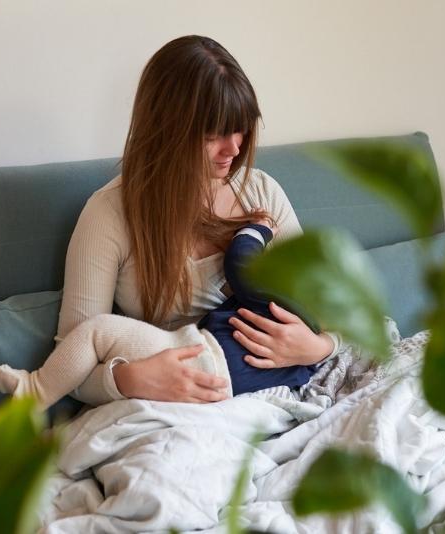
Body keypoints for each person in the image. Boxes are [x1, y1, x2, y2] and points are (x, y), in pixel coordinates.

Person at [50, 35, 341, 406]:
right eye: (214, 134)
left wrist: (317, 347)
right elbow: (68, 365)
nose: (234, 148)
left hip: (275, 389)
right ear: (167, 132)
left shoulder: (262, 193)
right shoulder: (107, 216)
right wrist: (129, 379)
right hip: (177, 404)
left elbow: (336, 308)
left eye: (241, 128)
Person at [0, 219, 339, 407]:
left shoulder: (275, 295)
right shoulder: (302, 365)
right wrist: (319, 352)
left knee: (97, 333)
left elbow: (240, 261)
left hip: (191, 357)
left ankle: (34, 390)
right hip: (224, 397)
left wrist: (258, 230)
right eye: (215, 133)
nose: (233, 148)